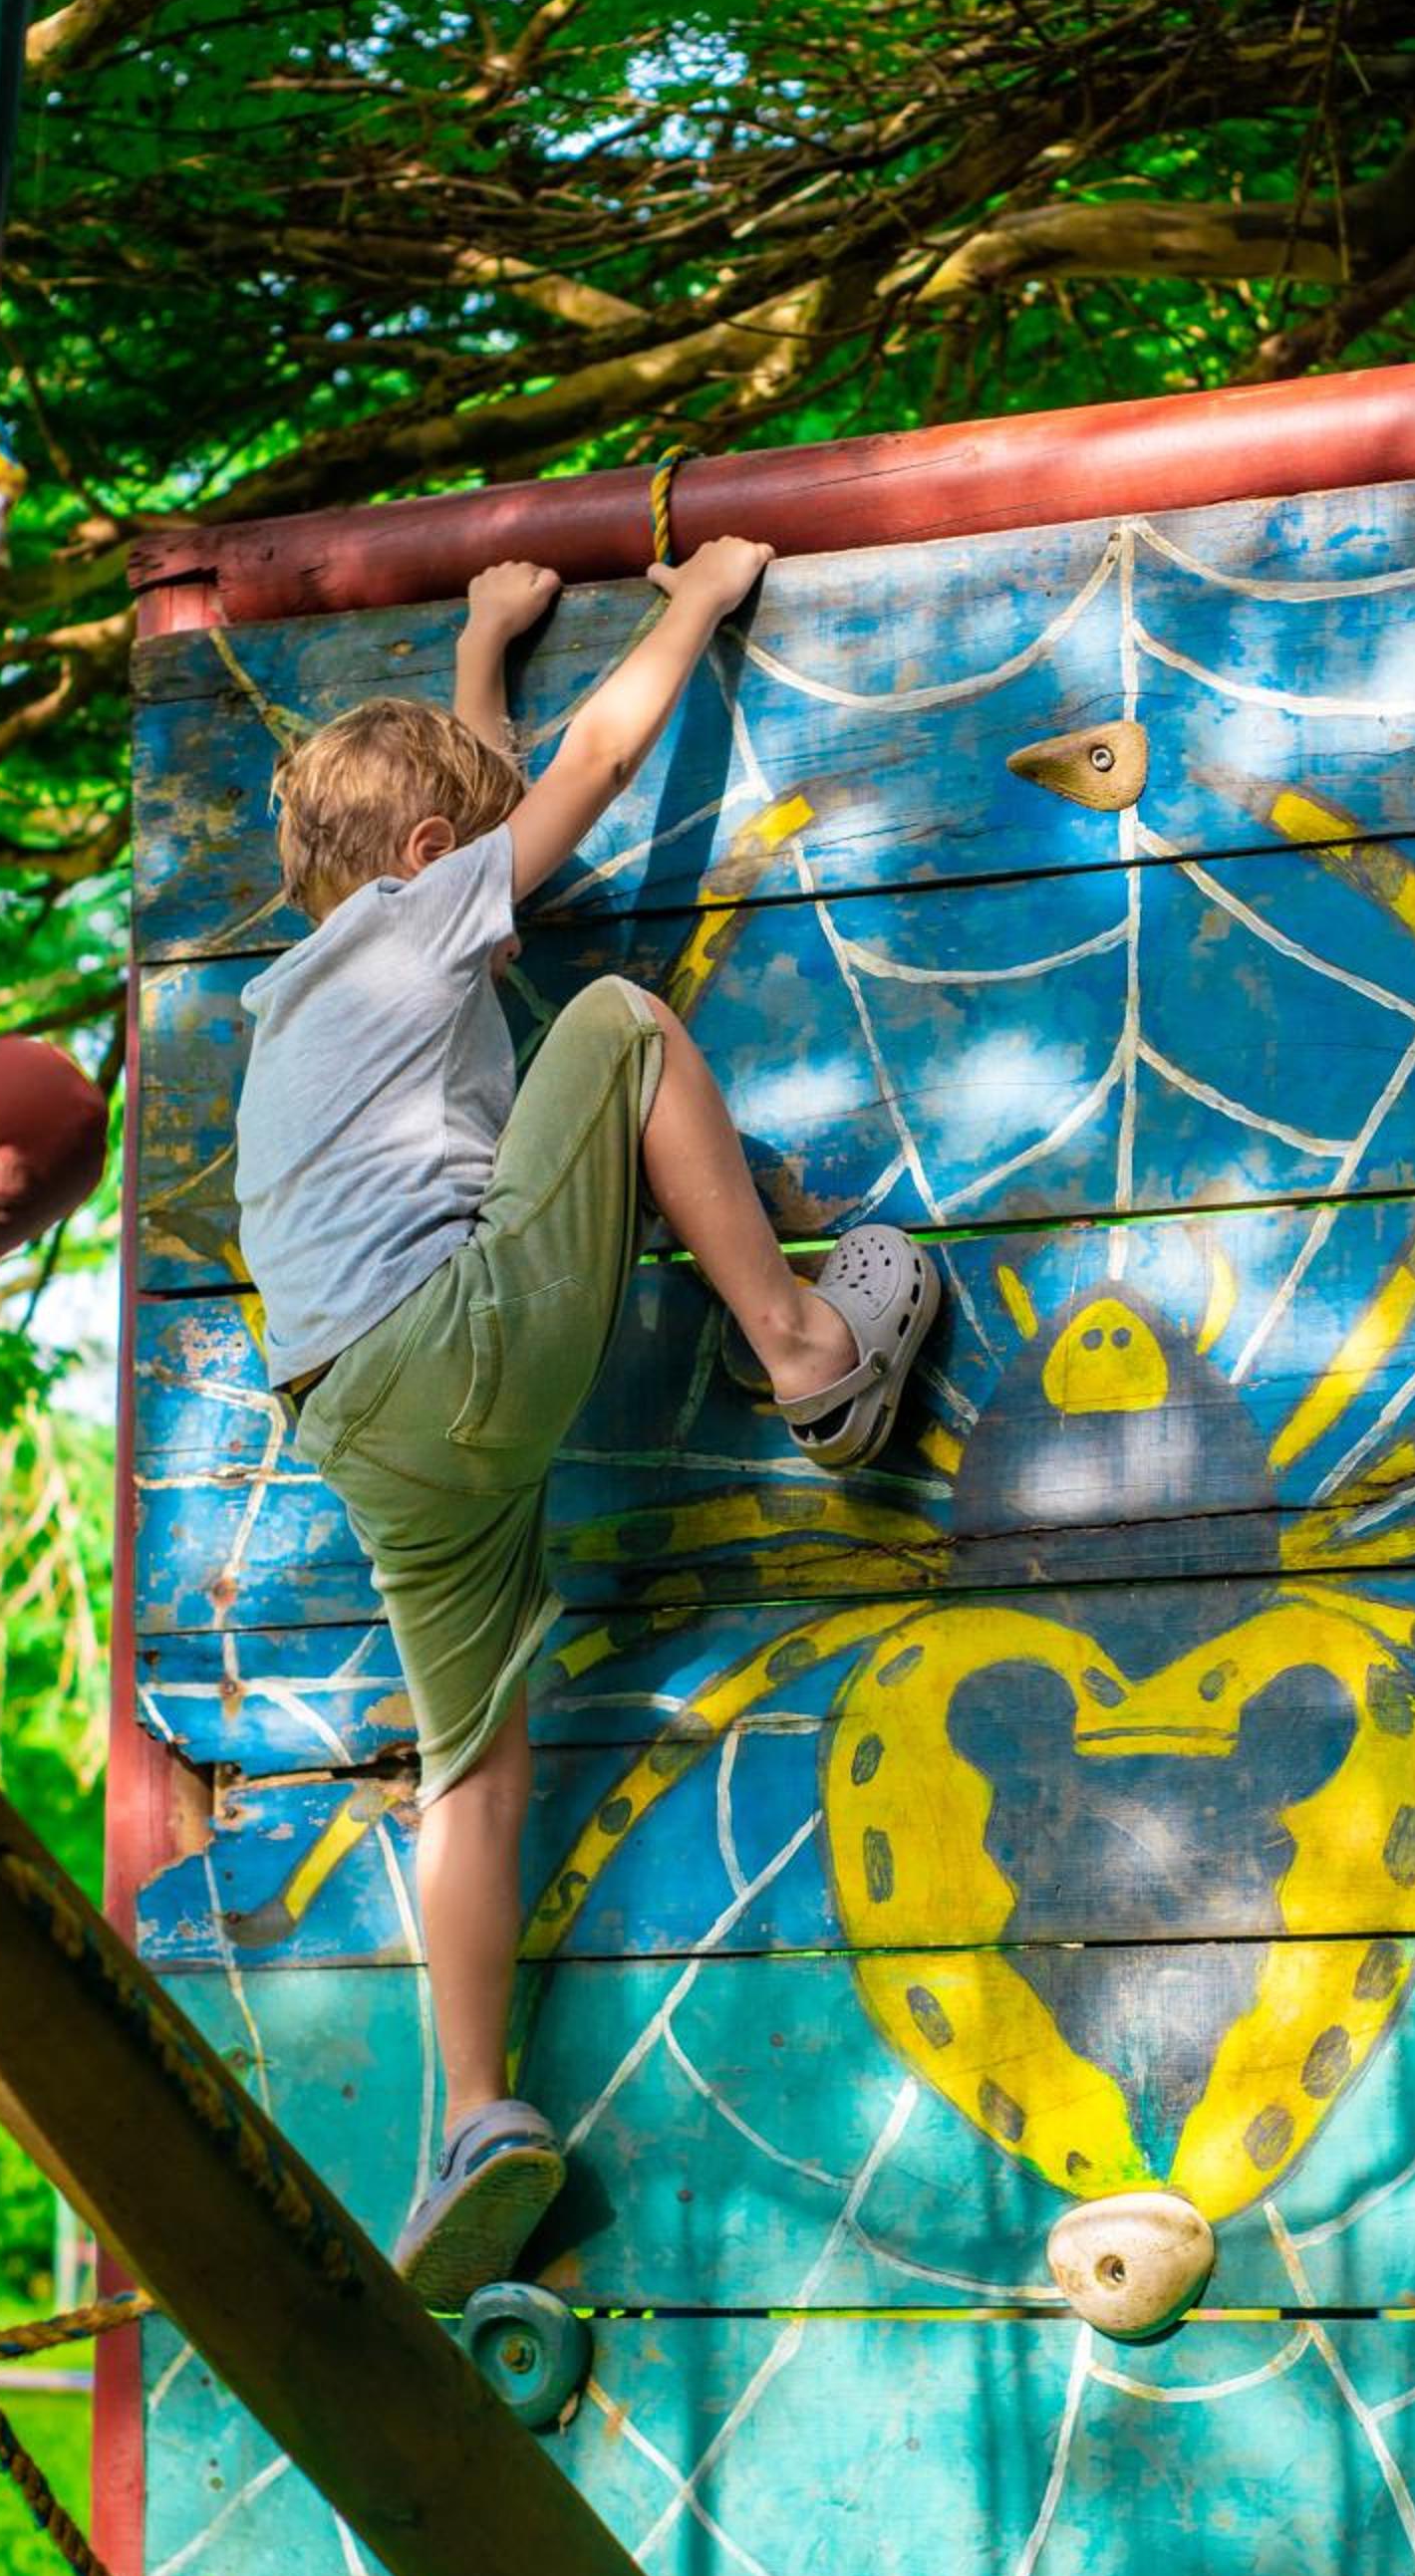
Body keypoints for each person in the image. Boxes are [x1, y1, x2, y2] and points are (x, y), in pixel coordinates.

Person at [234, 543, 940, 2303]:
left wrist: (485, 638)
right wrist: (693, 601)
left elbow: (484, 808)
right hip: (450, 1341)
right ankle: (807, 1353)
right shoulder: (417, 924)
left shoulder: (311, 991)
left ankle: (470, 2119)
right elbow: (592, 769)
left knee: (471, 1765)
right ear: (429, 864)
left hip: (352, 1419)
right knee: (620, 1021)